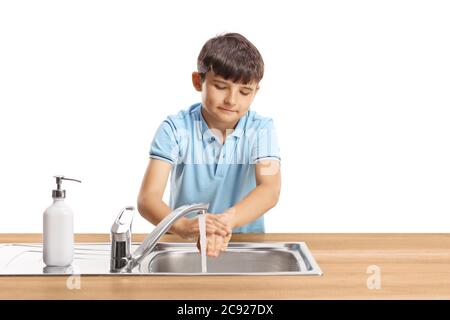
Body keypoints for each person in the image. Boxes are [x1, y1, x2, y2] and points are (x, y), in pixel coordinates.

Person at [137, 32, 281, 258]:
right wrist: (184, 227)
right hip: (182, 245)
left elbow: (270, 189)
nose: (232, 100)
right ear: (198, 81)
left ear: (255, 92)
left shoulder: (262, 130)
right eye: (221, 86)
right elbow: (148, 199)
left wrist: (225, 222)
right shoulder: (174, 129)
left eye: (244, 91)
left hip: (245, 245)